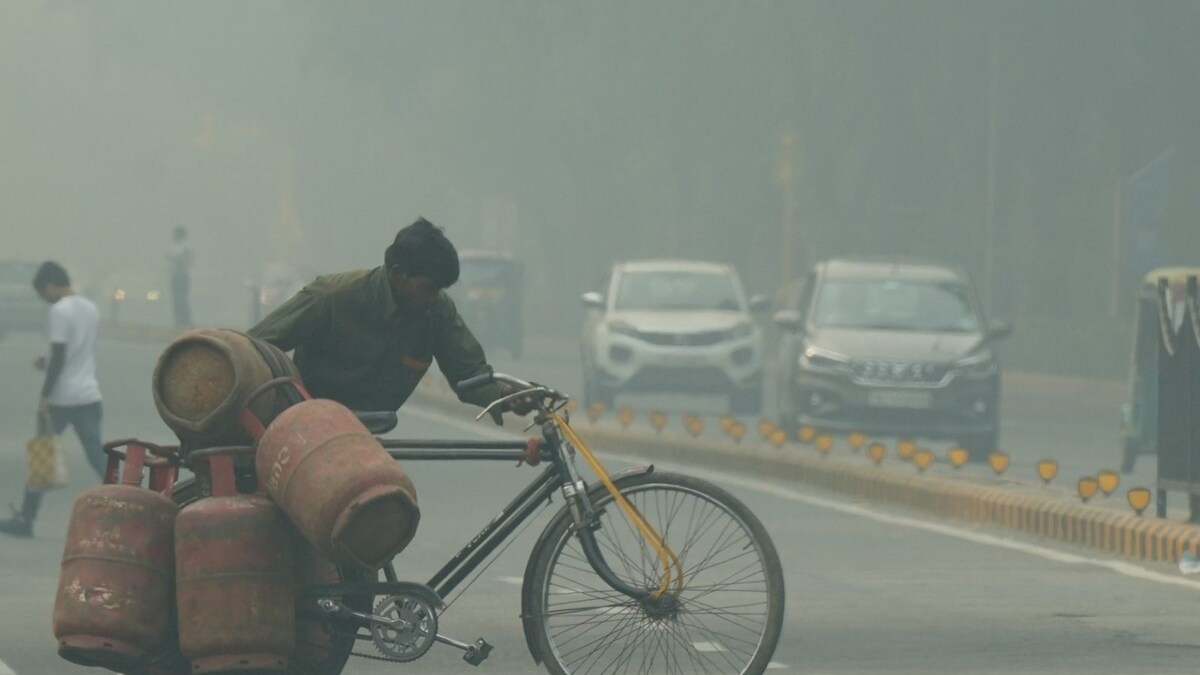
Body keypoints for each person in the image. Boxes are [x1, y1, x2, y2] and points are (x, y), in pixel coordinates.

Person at [248, 217, 531, 417]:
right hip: (304, 428)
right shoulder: (331, 297)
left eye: (439, 290)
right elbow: (254, 349)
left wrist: (510, 395)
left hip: (367, 435)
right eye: (427, 288)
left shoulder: (437, 310)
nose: (434, 298)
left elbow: (470, 376)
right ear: (397, 274)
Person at [0, 262, 105, 538]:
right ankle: (131, 503)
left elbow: (60, 355)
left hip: (62, 398)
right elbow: (74, 353)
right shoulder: (90, 308)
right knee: (98, 456)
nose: (44, 301)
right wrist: (46, 363)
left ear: (49, 286)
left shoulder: (60, 311)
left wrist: (44, 395)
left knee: (42, 458)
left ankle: (25, 519)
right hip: (89, 394)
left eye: (42, 294)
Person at [169, 226, 194, 327]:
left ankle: (185, 321)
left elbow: (185, 259)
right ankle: (178, 320)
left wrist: (178, 261)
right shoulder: (175, 247)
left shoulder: (186, 246)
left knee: (182, 298)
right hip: (175, 275)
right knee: (176, 298)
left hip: (182, 275)